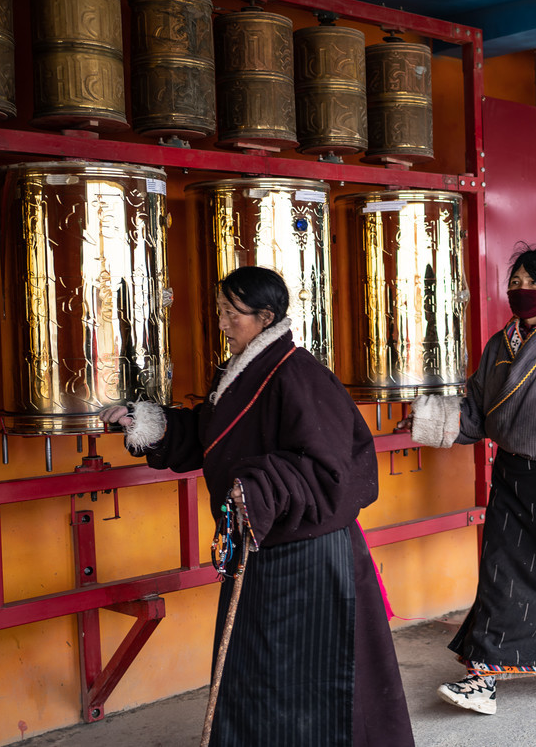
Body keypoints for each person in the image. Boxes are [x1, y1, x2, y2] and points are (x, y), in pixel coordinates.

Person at [99, 266, 414, 747]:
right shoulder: (241, 370)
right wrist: (149, 424)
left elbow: (336, 471)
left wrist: (263, 488)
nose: (222, 322)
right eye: (220, 310)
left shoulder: (299, 373)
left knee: (310, 670)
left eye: (233, 313)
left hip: (308, 553)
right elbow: (213, 436)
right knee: (257, 663)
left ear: (266, 317)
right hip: (260, 544)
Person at [398, 246, 536, 715]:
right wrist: (427, 419)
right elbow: (477, 415)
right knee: (500, 577)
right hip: (511, 478)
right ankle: (482, 678)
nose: (521, 290)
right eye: (515, 281)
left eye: (531, 282)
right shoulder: (500, 345)